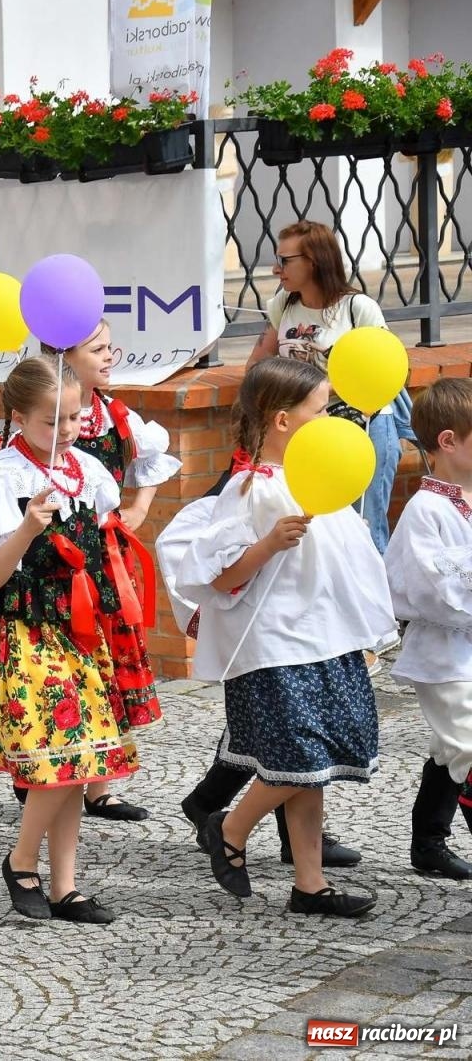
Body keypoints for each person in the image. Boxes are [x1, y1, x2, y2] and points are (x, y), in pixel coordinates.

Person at [175, 358, 395, 917]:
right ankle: (232, 827)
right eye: (319, 411)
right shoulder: (251, 490)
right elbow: (218, 578)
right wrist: (269, 544)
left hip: (324, 638)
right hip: (274, 644)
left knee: (313, 766)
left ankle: (309, 883)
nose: (328, 421)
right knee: (297, 754)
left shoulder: (319, 481)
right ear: (281, 421)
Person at [0, 355, 132, 923]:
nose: (65, 431)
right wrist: (28, 528)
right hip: (18, 626)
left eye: (74, 418)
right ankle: (21, 859)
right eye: (50, 421)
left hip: (75, 626)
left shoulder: (88, 471)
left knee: (78, 759)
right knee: (65, 754)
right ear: (18, 417)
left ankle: (64, 886)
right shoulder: (5, 477)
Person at [57, 320, 179, 822]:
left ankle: (99, 786)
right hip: (59, 562)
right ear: (66, 356)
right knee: (65, 666)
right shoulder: (47, 415)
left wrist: (141, 509)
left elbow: (152, 463)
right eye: (99, 349)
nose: (110, 356)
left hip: (106, 559)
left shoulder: (116, 415)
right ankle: (48, 771)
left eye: (110, 348)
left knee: (105, 658)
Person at [247, 219, 405, 554]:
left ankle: (375, 604)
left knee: (365, 527)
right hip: (306, 437)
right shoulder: (283, 305)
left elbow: (386, 368)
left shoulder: (356, 307)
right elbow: (257, 365)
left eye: (286, 260)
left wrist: (315, 389)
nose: (277, 269)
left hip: (363, 430)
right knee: (322, 532)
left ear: (315, 261)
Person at [384, 377, 472, 880]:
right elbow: (425, 588)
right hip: (444, 652)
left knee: (448, 747)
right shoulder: (426, 510)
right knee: (468, 747)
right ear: (448, 441)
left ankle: (428, 842)